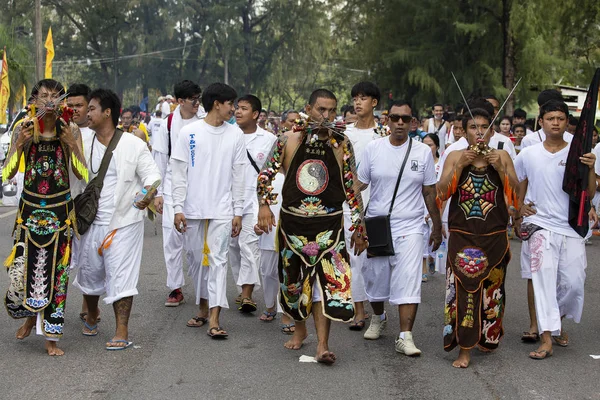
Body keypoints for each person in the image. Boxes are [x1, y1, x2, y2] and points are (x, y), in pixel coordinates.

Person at [256, 88, 368, 364]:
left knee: (326, 286)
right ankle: (301, 329)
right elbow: (265, 176)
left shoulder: (341, 143)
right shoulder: (288, 139)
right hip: (291, 226)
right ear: (309, 108)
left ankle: (322, 345)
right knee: (292, 286)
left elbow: (352, 187)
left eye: (331, 110)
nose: (326, 116)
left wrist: (359, 225)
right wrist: (264, 206)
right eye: (321, 109)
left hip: (329, 228)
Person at [3, 79, 87, 356]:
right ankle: (29, 319)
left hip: (60, 213)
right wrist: (19, 145)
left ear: (62, 100)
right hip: (28, 213)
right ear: (35, 101)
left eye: (55, 96)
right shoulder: (23, 127)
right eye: (44, 96)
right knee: (28, 270)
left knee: (58, 275)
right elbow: (7, 173)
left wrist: (70, 144)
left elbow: (83, 174)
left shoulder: (70, 128)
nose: (49, 101)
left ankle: (51, 337)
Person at [73, 88, 160, 350]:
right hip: (89, 221)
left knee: (121, 277)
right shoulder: (81, 141)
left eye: (91, 109)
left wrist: (146, 195)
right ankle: (91, 313)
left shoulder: (134, 144)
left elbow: (152, 176)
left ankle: (121, 330)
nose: (87, 113)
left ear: (107, 112)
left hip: (124, 220)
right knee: (89, 273)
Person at [437, 105, 519, 368]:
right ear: (465, 131)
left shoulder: (503, 156)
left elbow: (517, 194)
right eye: (473, 127)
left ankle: (487, 338)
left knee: (492, 291)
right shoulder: (455, 155)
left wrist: (502, 170)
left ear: (492, 130)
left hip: (494, 236)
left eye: (484, 127)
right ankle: (464, 349)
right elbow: (440, 192)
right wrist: (460, 165)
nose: (479, 132)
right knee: (465, 291)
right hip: (463, 236)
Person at [359, 101, 441, 356]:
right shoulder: (373, 149)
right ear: (387, 120)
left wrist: (437, 226)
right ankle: (379, 316)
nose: (400, 123)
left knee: (408, 280)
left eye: (405, 119)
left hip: (411, 225)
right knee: (376, 278)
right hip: (378, 225)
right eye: (395, 118)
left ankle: (405, 336)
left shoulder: (422, 152)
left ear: (412, 122)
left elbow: (429, 191)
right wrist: (353, 221)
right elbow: (358, 186)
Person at [514, 99, 595, 360]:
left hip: (570, 226)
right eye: (551, 118)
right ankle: (546, 337)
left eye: (561, 118)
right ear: (542, 122)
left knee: (574, 282)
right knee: (543, 280)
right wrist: (519, 209)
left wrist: (591, 168)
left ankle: (555, 317)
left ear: (566, 122)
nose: (556, 123)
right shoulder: (529, 153)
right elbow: (518, 182)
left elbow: (590, 192)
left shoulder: (577, 152)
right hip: (540, 225)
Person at [171, 83, 245, 339]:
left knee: (218, 259)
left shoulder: (235, 134)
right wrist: (177, 207)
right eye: (230, 104)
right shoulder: (190, 133)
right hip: (192, 208)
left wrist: (239, 211)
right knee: (194, 258)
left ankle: (214, 317)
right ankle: (203, 306)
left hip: (223, 210)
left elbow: (239, 175)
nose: (233, 109)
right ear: (217, 104)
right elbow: (178, 173)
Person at [152, 80, 202, 309]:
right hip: (172, 186)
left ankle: (202, 287)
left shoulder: (205, 120)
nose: (197, 103)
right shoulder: (168, 123)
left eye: (198, 98)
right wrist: (158, 192)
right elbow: (160, 159)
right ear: (180, 101)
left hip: (199, 187)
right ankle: (175, 287)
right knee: (172, 239)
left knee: (195, 242)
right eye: (193, 99)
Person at [229, 94, 277, 313]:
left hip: (255, 201)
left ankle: (247, 293)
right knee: (232, 246)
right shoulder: (228, 136)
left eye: (244, 108)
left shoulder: (268, 140)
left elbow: (274, 174)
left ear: (256, 114)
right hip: (228, 200)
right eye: (237, 108)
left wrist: (266, 204)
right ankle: (242, 287)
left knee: (248, 245)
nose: (238, 112)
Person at [344, 81, 384, 330]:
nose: (358, 102)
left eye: (363, 98)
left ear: (374, 103)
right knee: (354, 257)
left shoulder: (383, 135)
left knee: (376, 260)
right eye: (355, 98)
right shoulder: (345, 133)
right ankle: (359, 310)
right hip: (349, 203)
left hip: (378, 204)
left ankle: (378, 310)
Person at [66, 83, 99, 323]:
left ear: (89, 106)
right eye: (70, 105)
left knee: (89, 260)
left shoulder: (100, 134)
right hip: (61, 202)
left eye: (79, 105)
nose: (74, 110)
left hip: (88, 206)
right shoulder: (59, 130)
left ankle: (89, 307)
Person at [421, 133, 441, 282]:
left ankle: (432, 258)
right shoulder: (419, 162)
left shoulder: (442, 164)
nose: (427, 148)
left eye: (430, 145)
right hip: (421, 204)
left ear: (437, 146)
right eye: (425, 144)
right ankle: (423, 268)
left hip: (437, 205)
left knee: (432, 236)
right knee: (421, 237)